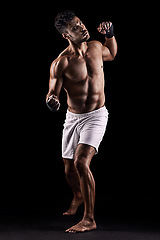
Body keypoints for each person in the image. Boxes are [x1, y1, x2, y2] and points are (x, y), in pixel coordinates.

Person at [46, 10, 117, 233]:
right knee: (69, 170)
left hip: (96, 115)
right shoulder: (61, 63)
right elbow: (52, 93)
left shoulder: (96, 47)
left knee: (81, 162)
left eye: (81, 23)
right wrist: (52, 101)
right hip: (73, 118)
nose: (82, 27)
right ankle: (78, 195)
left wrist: (110, 35)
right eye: (75, 28)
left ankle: (89, 219)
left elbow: (112, 54)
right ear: (66, 35)